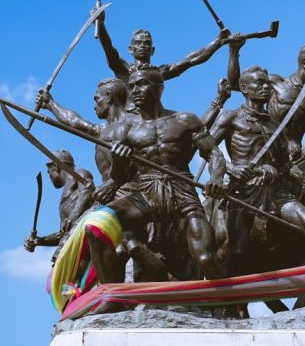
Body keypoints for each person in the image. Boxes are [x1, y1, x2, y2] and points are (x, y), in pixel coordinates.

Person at [85, 64, 229, 284]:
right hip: (146, 195)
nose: (135, 91)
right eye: (131, 87)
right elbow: (120, 178)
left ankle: (234, 298)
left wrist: (216, 178)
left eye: (142, 84)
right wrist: (118, 158)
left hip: (183, 196)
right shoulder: (125, 130)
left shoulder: (185, 120)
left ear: (160, 88)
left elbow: (214, 153)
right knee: (96, 225)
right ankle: (112, 293)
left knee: (205, 258)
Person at [211, 65, 305, 276]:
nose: (266, 87)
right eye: (260, 83)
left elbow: (286, 164)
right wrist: (231, 169)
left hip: (277, 192)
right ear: (244, 88)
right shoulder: (230, 118)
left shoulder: (276, 126)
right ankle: (233, 296)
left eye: (268, 83)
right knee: (238, 250)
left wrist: (302, 176)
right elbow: (208, 149)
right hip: (244, 192)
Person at [228, 43, 305, 161]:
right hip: (267, 142)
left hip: (293, 153)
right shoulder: (275, 82)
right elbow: (235, 84)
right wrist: (234, 51)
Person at [95, 9, 232, 82]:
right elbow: (108, 47)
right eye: (138, 43)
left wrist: (218, 41)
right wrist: (100, 23)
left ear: (152, 50)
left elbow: (192, 59)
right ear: (130, 50)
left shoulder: (160, 72)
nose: (142, 46)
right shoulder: (123, 69)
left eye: (147, 43)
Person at [23, 150, 95, 259]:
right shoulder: (64, 200)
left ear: (56, 166)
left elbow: (86, 193)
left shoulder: (81, 173)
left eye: (49, 172)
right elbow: (63, 233)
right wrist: (40, 240)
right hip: (72, 239)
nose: (49, 176)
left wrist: (73, 216)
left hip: (87, 229)